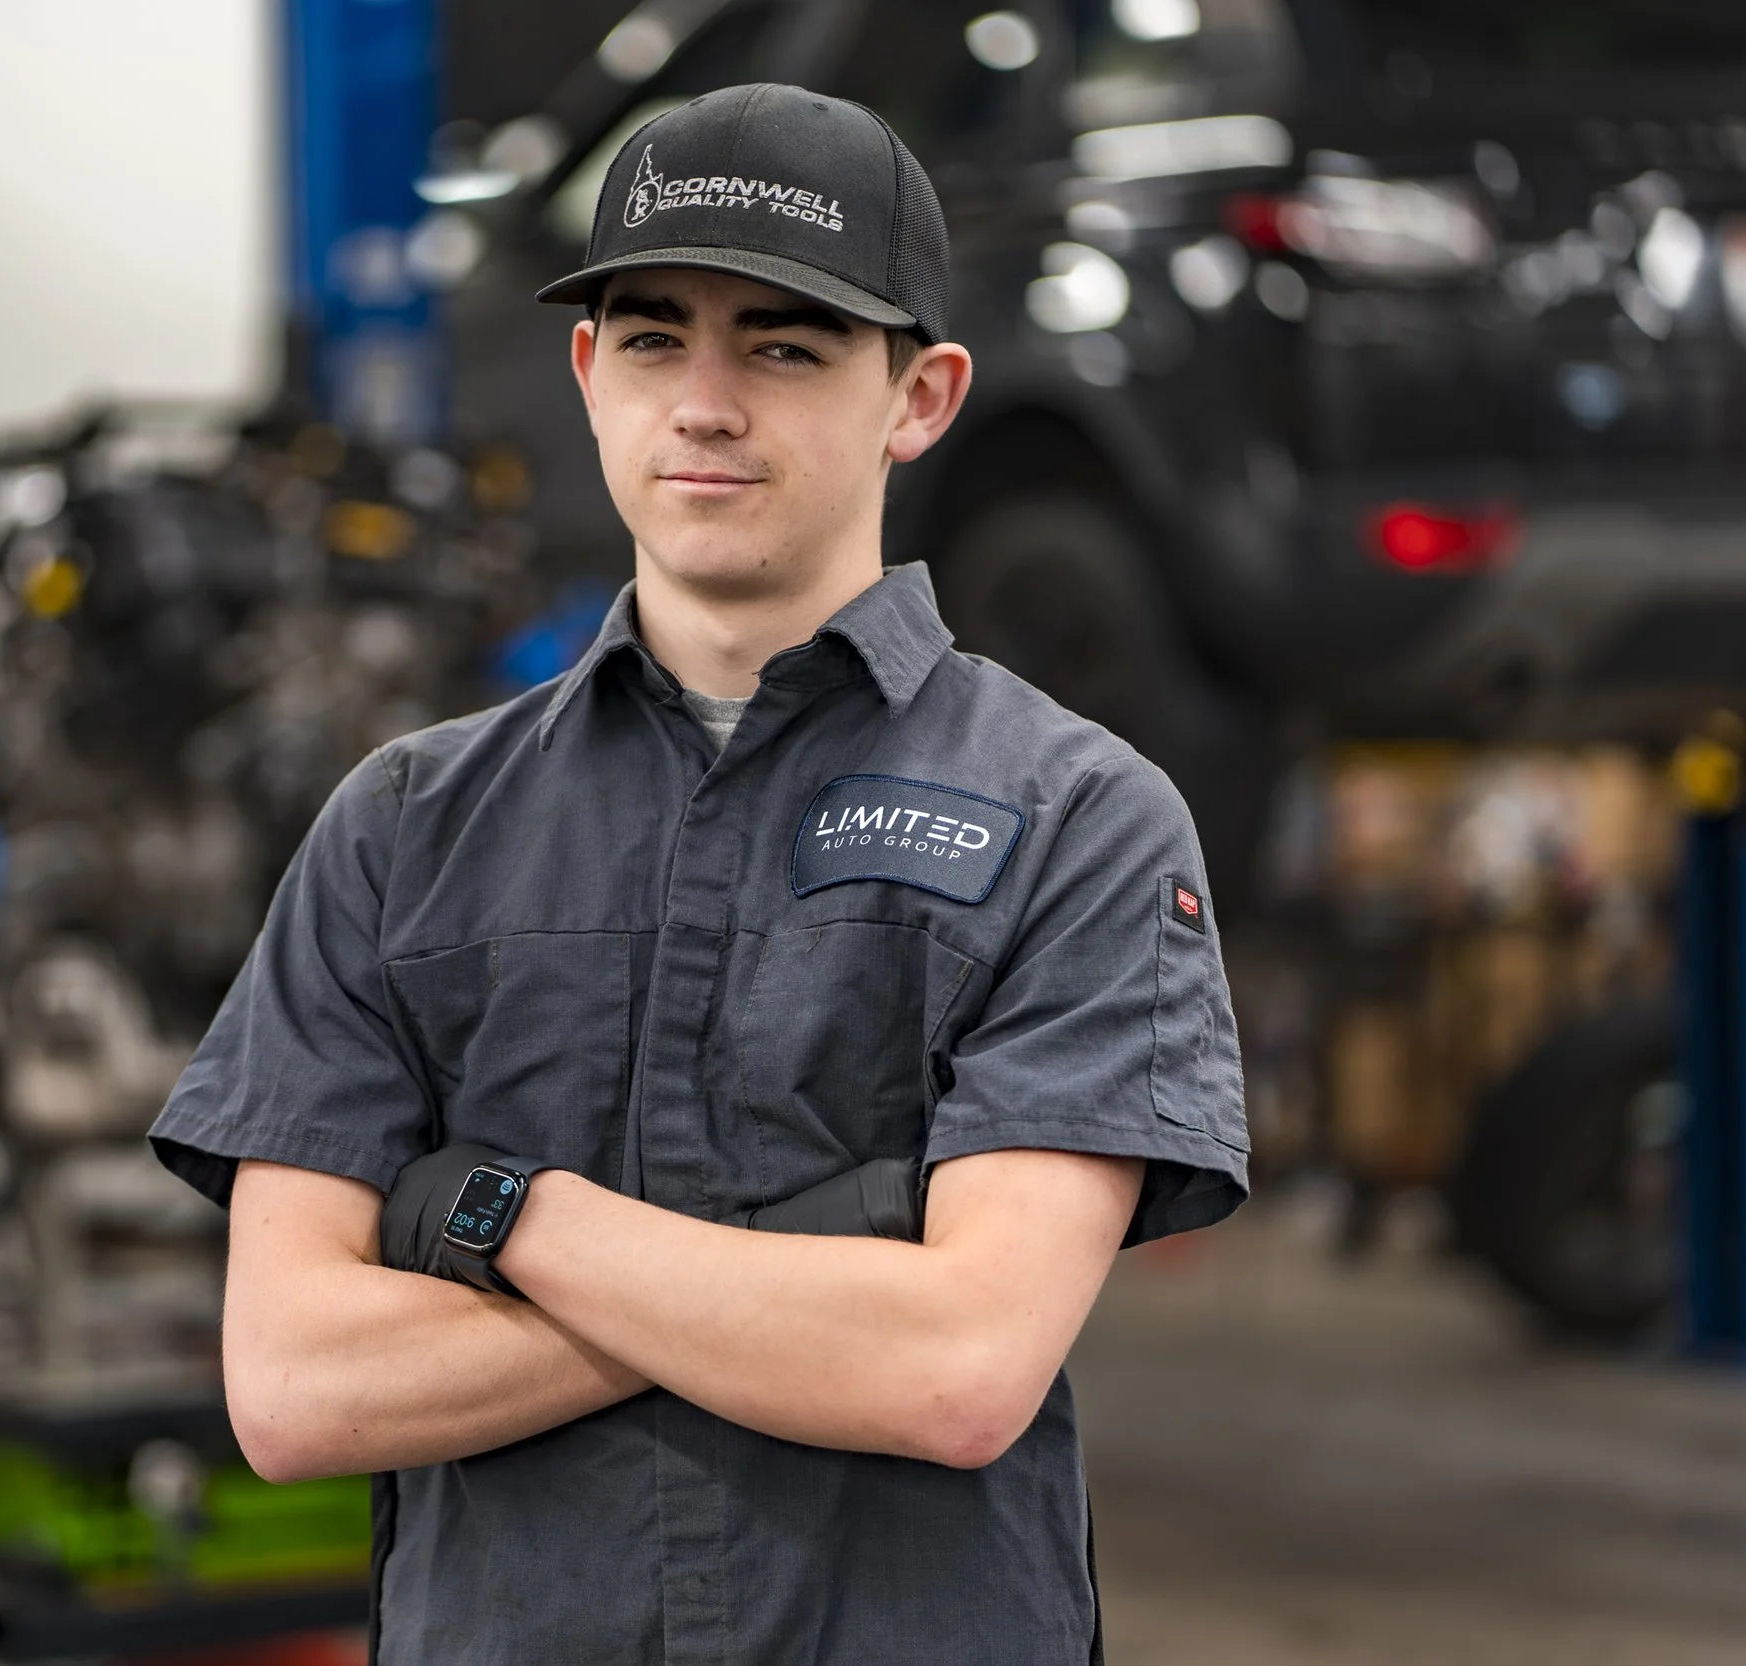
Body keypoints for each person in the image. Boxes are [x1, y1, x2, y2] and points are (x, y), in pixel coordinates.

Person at [150, 82, 1248, 1665]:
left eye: (786, 346)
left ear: (919, 397)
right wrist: (828, 1257)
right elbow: (299, 1387)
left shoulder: (1081, 818)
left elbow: (953, 1370)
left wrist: (499, 1212)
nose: (707, 402)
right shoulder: (403, 828)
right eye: (655, 338)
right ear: (592, 374)